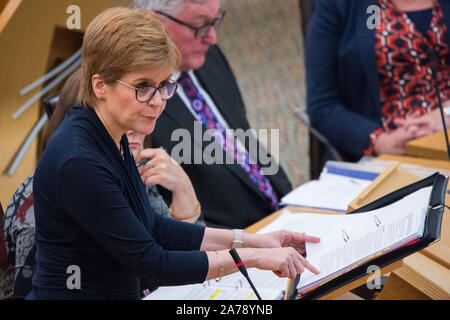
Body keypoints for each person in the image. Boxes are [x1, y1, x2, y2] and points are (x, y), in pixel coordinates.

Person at [28, 7, 320, 300]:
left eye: (164, 86)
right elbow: (153, 263)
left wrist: (254, 241)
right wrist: (251, 258)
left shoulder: (109, 129)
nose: (157, 102)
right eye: (143, 87)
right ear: (100, 85)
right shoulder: (79, 161)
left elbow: (153, 226)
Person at [132, 0, 293, 229]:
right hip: (229, 243)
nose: (212, 38)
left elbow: (242, 137)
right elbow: (159, 218)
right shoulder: (136, 98)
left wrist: (290, 198)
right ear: (154, 22)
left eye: (215, 22)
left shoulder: (201, 54)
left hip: (284, 212)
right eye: (200, 26)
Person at [306, 0, 450, 162]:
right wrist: (380, 142)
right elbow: (322, 106)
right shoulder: (340, 5)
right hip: (385, 152)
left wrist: (447, 112)